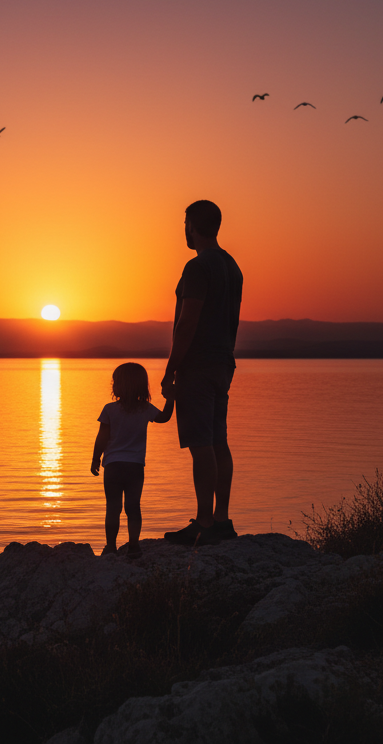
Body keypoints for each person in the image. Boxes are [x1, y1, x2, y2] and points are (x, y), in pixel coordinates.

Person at [161, 200, 243, 546]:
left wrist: (171, 369)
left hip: (198, 365)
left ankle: (205, 523)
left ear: (192, 226)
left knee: (201, 445)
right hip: (224, 363)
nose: (184, 231)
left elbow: (188, 321)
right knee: (218, 442)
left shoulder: (197, 268)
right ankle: (221, 518)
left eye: (185, 224)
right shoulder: (232, 266)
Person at [90, 362, 175, 556]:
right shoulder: (144, 408)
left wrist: (96, 459)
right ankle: (134, 545)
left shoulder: (109, 409)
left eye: (115, 382)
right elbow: (164, 418)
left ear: (119, 386)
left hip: (112, 465)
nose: (112, 386)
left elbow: (102, 437)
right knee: (133, 507)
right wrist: (171, 399)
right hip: (135, 466)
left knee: (113, 506)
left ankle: (110, 546)